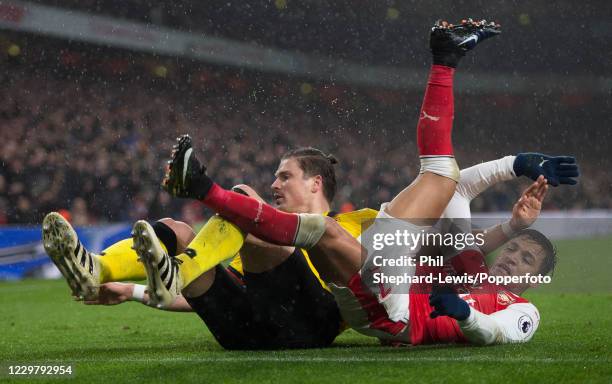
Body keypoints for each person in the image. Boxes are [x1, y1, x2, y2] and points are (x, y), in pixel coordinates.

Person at [149, 19, 571, 345]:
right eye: (515, 250)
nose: (512, 258)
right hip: (394, 268)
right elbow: (458, 191)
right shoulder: (472, 266)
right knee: (442, 174)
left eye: (524, 261)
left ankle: (204, 189)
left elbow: (497, 334)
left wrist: (464, 315)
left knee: (325, 230)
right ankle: (445, 58)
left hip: (394, 312)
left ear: (534, 281)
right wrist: (516, 163)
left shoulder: (521, 309)